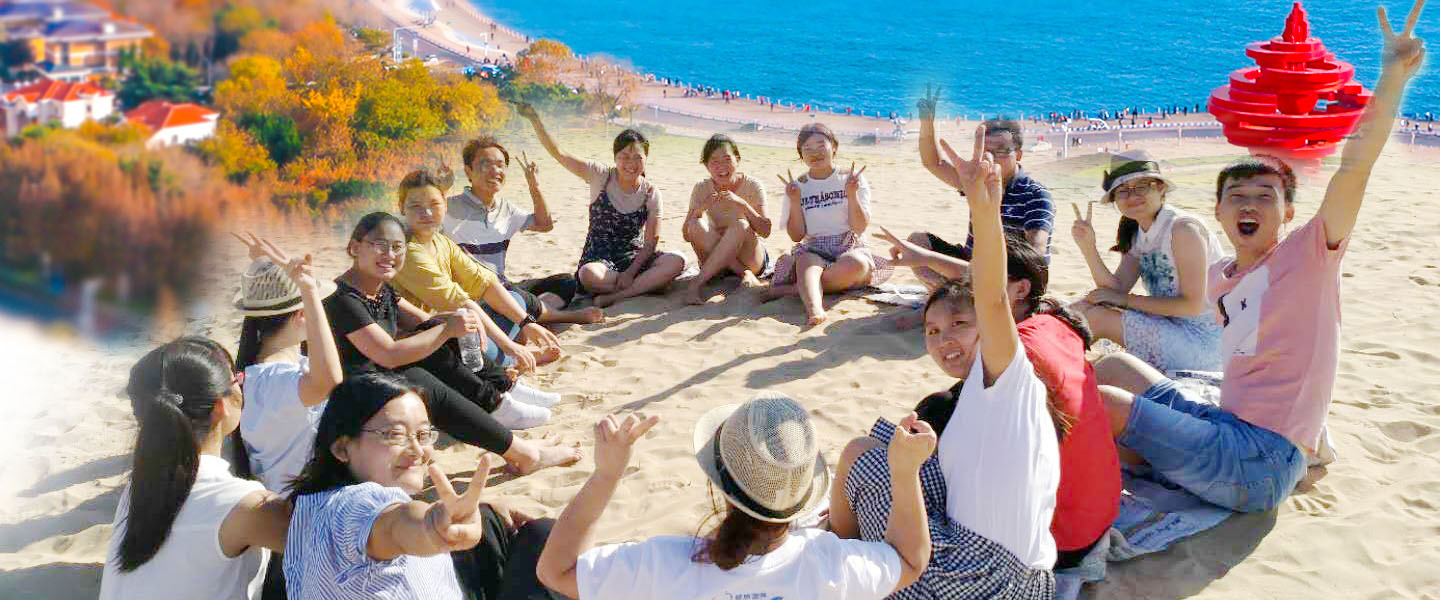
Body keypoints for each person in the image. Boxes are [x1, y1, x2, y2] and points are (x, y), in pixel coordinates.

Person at [1092, 1, 1428, 514]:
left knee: (1103, 405)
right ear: (1218, 212)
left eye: (1265, 196)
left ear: (1289, 212)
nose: (1249, 205)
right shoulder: (1221, 276)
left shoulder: (1310, 256)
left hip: (1259, 461)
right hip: (1227, 425)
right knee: (1113, 368)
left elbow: (1354, 167)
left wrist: (1392, 78)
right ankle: (1138, 456)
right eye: (1237, 196)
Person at [827, 146, 1067, 598]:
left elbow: (993, 296)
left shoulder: (1008, 379)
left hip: (982, 576)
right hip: (1019, 577)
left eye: (959, 324)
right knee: (889, 449)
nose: (943, 340)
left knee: (861, 456)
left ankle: (835, 560)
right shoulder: (979, 392)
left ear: (989, 326)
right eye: (933, 331)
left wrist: (984, 208)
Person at [535, 394, 932, 600]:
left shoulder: (662, 564)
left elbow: (556, 571)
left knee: (536, 533)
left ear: (717, 484)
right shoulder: (832, 564)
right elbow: (910, 560)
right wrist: (905, 471)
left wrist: (606, 475)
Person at [324, 211, 579, 474]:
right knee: (422, 381)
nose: (390, 254)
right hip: (350, 396)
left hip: (378, 377)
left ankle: (503, 391)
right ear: (354, 248)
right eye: (380, 245)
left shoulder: (379, 287)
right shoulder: (342, 299)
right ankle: (517, 442)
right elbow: (387, 354)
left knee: (442, 330)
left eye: (398, 247)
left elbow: (425, 322)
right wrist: (447, 328)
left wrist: (459, 321)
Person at [283, 373, 562, 600]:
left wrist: (469, 514)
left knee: (496, 522)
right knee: (546, 538)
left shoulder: (313, 505)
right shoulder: (356, 505)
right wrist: (433, 526)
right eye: (394, 434)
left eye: (423, 434)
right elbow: (395, 523)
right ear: (342, 448)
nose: (418, 450)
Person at [99, 337, 291, 599]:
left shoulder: (141, 486)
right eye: (236, 380)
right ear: (220, 407)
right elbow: (332, 546)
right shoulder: (245, 505)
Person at [391, 166, 566, 375]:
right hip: (421, 337)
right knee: (469, 335)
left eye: (434, 204)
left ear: (445, 205)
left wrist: (527, 323)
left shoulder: (441, 241)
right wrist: (509, 346)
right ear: (402, 207)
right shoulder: (406, 250)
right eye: (415, 206)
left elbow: (485, 283)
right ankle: (510, 359)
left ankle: (505, 354)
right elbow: (458, 301)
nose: (426, 213)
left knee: (515, 299)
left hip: (450, 322)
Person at [1069, 150, 1226, 374]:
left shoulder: (1182, 229)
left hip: (1204, 343)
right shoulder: (1138, 232)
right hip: (1170, 326)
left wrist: (1124, 300)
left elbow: (1191, 306)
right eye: (1122, 190)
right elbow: (1115, 289)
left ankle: (1055, 374)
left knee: (1098, 318)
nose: (1132, 196)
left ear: (1161, 188)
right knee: (1080, 308)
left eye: (1142, 186)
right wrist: (1088, 247)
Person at [518, 102, 686, 308]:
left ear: (646, 159)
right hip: (598, 259)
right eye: (624, 157)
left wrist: (630, 273)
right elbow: (560, 153)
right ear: (615, 157)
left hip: (634, 259)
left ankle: (616, 296)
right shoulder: (600, 175)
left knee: (677, 261)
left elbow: (650, 244)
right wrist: (535, 119)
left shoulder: (651, 192)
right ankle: (644, 285)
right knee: (589, 275)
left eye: (637, 158)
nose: (631, 164)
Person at [445, 135, 604, 325]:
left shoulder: (506, 209)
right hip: (475, 293)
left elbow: (544, 224)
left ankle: (528, 314)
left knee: (566, 282)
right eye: (485, 164)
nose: (495, 171)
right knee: (514, 296)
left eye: (500, 165)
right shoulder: (448, 207)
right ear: (468, 171)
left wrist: (534, 186)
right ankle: (558, 316)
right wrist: (442, 189)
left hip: (504, 286)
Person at [231, 233, 343, 494]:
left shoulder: (252, 375)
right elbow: (329, 380)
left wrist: (267, 265)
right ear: (303, 314)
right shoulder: (276, 382)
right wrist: (309, 291)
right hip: (300, 504)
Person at [764, 123, 891, 327]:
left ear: (834, 147)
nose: (815, 153)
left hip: (849, 245)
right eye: (807, 148)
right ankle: (814, 310)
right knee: (807, 263)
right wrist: (795, 201)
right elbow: (796, 236)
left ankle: (794, 289)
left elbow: (859, 228)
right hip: (814, 247)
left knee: (857, 265)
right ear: (801, 154)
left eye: (821, 145)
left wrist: (851, 195)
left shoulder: (851, 178)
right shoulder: (798, 186)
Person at [681, 134, 772, 304]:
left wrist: (742, 204)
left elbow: (765, 231)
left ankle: (696, 284)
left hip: (750, 257)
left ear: (737, 160)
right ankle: (743, 274)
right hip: (717, 263)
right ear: (707, 166)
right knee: (696, 223)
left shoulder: (753, 185)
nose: (721, 167)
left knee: (741, 225)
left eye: (727, 159)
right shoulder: (702, 188)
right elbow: (687, 234)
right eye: (714, 162)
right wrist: (701, 208)